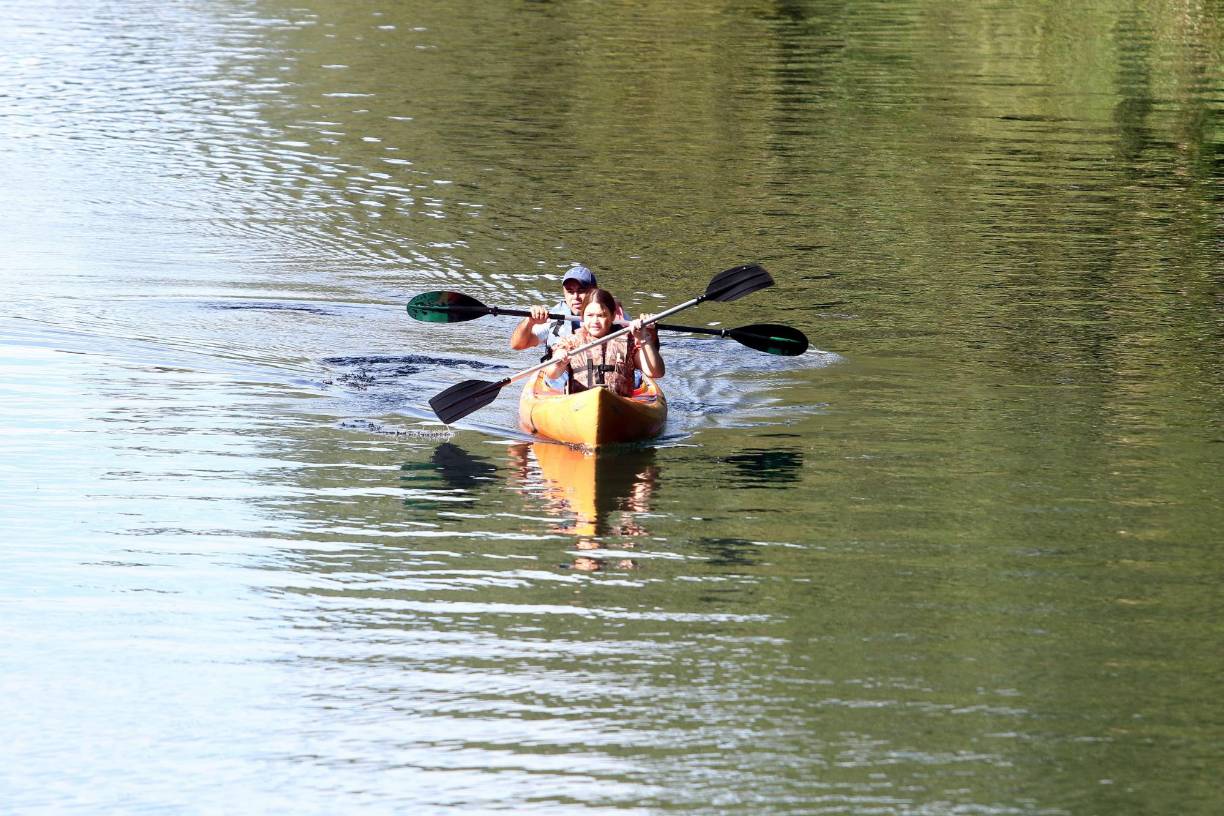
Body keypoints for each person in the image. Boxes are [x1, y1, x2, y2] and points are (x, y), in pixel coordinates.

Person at [542, 288, 664, 396]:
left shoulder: (628, 342)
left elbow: (656, 372)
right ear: (582, 317)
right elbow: (551, 374)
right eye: (590, 315)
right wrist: (559, 363)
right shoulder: (570, 342)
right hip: (579, 406)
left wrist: (644, 338)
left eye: (601, 315)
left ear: (612, 316)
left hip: (620, 407)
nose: (595, 321)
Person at [509, 265, 629, 360]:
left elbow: (635, 342)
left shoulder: (614, 314)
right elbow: (517, 345)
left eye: (581, 291)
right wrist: (529, 321)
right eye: (570, 291)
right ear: (564, 293)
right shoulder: (556, 319)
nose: (575, 297)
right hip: (562, 380)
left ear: (594, 291)